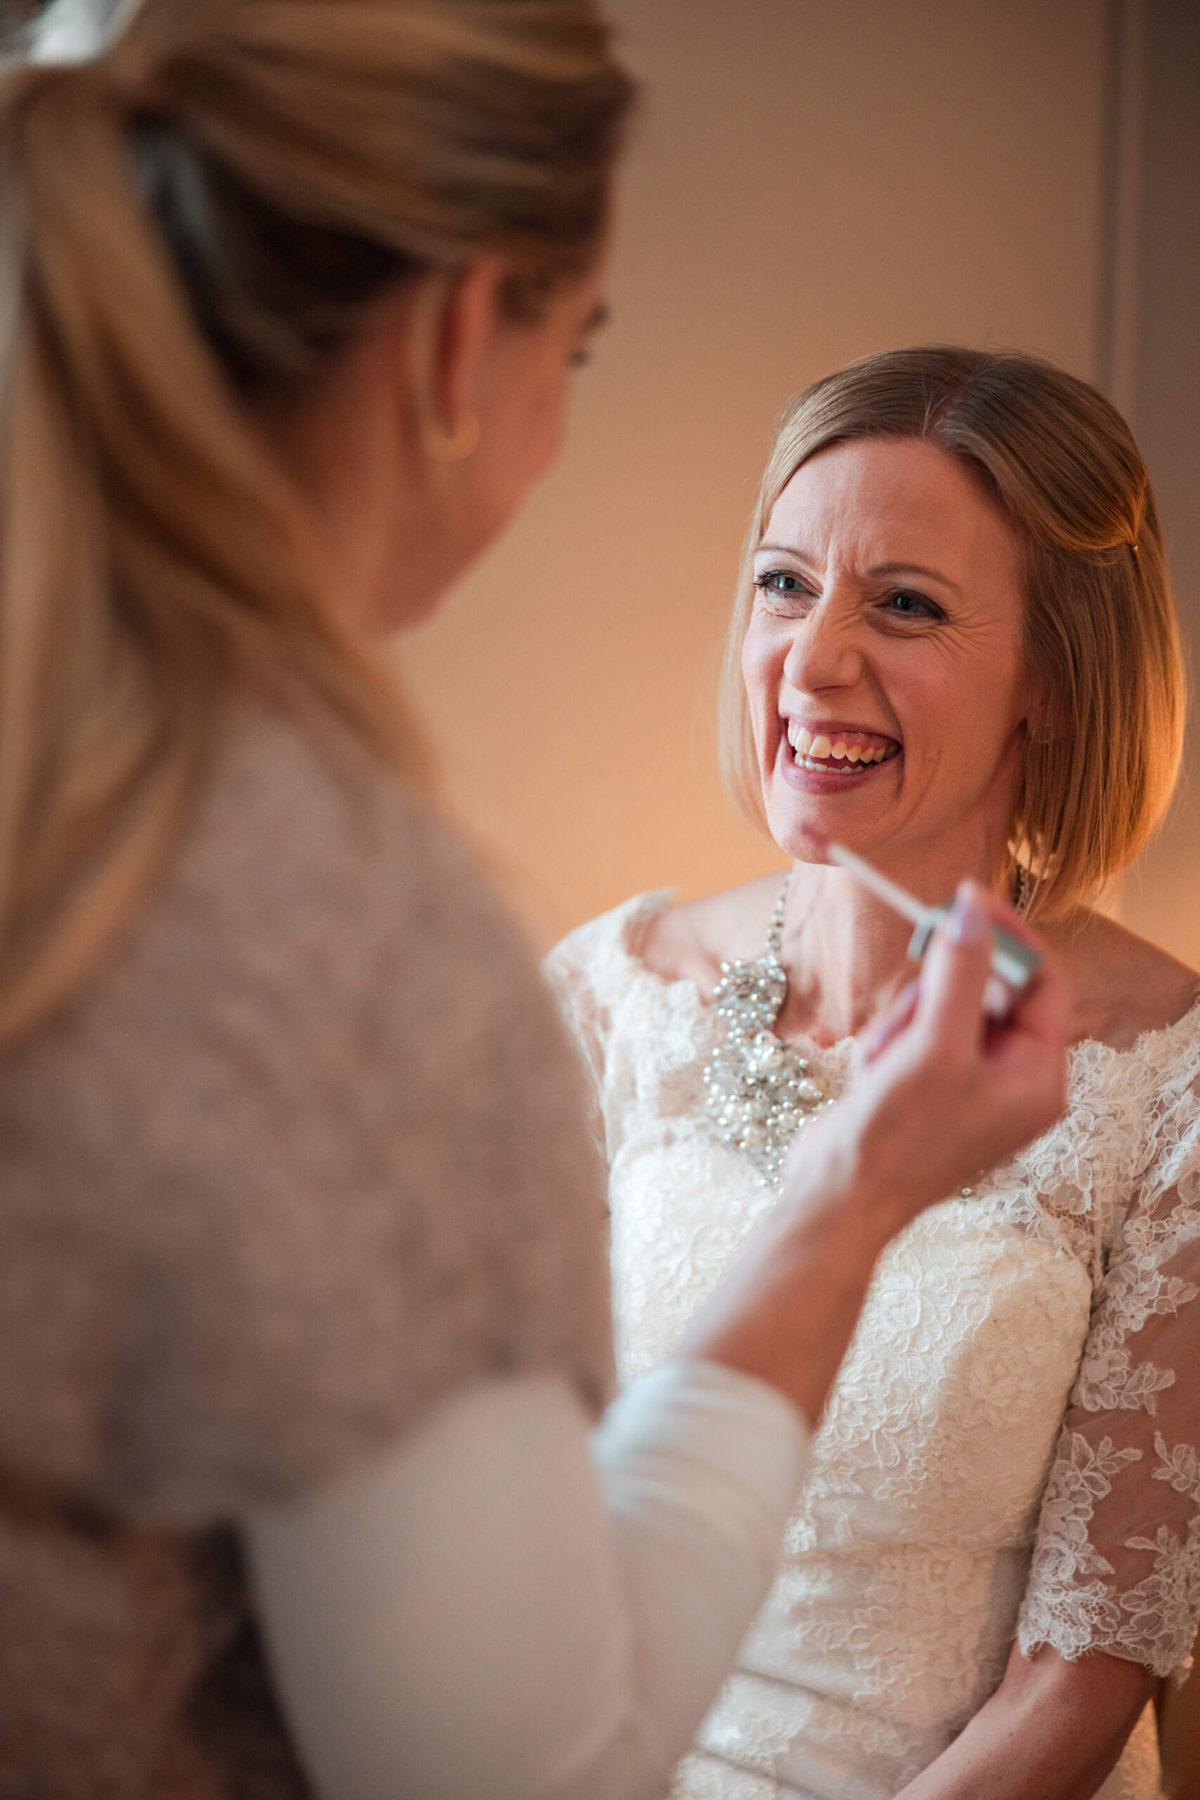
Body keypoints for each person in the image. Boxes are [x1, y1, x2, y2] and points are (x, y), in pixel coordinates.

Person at [0, 7, 1067, 1795]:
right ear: (444, 349)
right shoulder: (346, 949)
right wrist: (858, 1187)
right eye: (573, 347)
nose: (814, 658)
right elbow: (513, 1769)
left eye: (907, 606)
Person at [548, 344, 1200, 1800]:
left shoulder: (1169, 1085)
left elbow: (1082, 1680)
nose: (813, 658)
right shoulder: (609, 995)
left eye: (904, 605)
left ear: (1055, 675)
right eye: (785, 584)